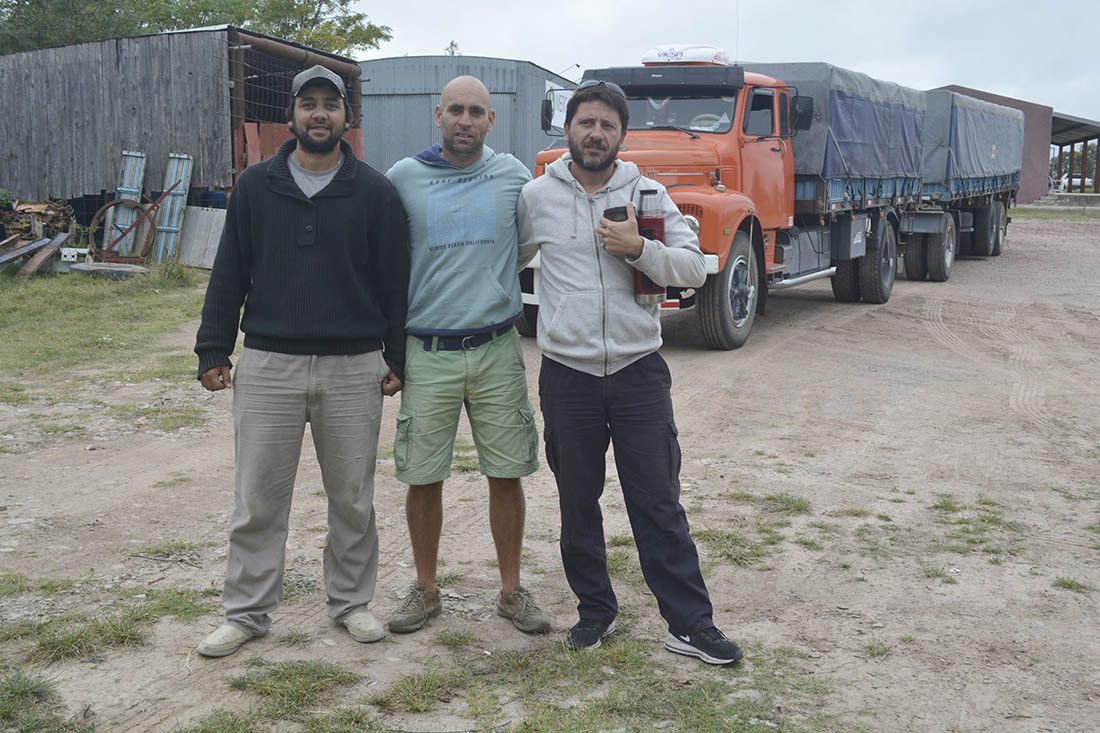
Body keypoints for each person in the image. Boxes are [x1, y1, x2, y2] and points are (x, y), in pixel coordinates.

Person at [517, 80, 743, 665]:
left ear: (621, 135)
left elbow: (695, 268)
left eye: (607, 126)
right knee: (577, 500)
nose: (595, 133)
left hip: (639, 371)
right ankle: (595, 610)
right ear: (567, 129)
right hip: (567, 374)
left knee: (658, 501)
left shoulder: (648, 193)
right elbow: (507, 260)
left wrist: (639, 248)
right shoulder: (536, 196)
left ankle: (690, 624)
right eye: (585, 122)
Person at [192, 65, 409, 657]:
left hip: (353, 366)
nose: (319, 114)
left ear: (346, 117)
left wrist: (398, 358)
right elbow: (230, 271)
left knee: (352, 498)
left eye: (330, 106)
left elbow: (394, 283)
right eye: (308, 104)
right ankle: (246, 613)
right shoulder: (256, 186)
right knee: (257, 498)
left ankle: (351, 604)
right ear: (290, 115)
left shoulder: (375, 191)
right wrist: (213, 346)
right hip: (268, 365)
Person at [383, 76, 550, 636]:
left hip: (498, 348)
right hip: (427, 350)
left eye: (476, 111)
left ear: (491, 121)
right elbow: (384, 258)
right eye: (455, 109)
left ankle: (511, 591)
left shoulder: (512, 177)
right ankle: (426, 590)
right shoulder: (404, 179)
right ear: (437, 114)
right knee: (422, 476)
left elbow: (525, 245)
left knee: (507, 475)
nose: (465, 120)